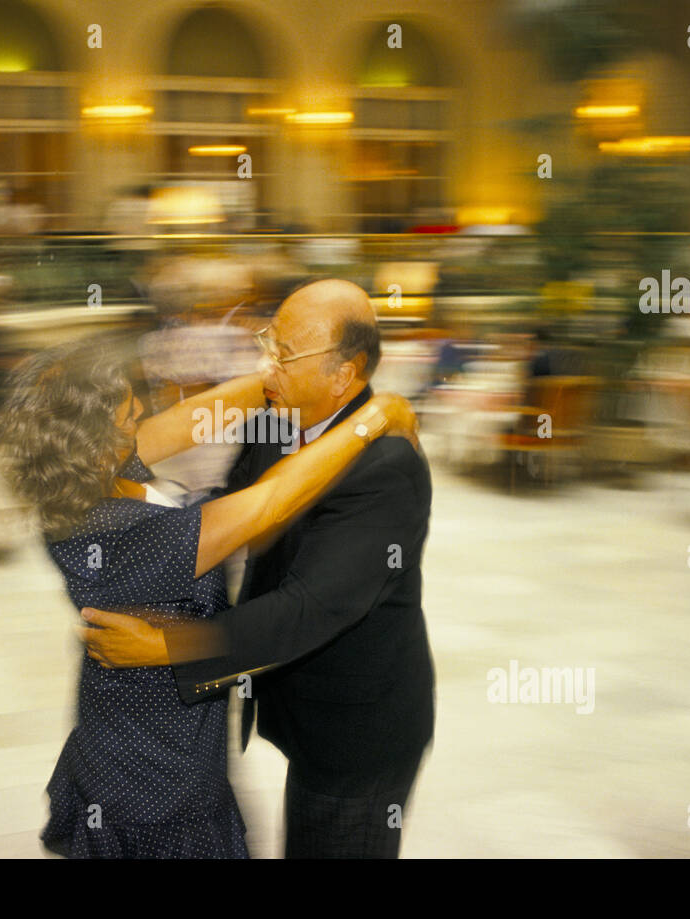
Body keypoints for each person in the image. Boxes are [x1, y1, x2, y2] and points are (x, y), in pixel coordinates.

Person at [0, 337, 418, 858]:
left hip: (130, 731)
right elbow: (269, 503)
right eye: (127, 408)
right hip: (156, 769)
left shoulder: (86, 476)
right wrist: (372, 421)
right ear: (95, 439)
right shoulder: (117, 532)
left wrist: (283, 375)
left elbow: (195, 416)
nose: (141, 412)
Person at [83, 279, 436, 858]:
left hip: (359, 735)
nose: (265, 364)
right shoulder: (280, 418)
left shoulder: (387, 467)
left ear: (343, 375)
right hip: (306, 706)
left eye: (283, 354)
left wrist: (165, 647)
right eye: (266, 345)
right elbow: (231, 513)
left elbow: (307, 610)